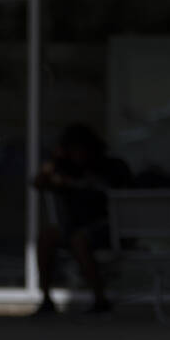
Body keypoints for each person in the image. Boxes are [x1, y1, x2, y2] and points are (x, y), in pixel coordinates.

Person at [33, 123, 132, 315]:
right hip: (73, 225)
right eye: (72, 150)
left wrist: (74, 183)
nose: (77, 154)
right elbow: (38, 183)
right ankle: (45, 299)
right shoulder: (65, 170)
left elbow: (116, 191)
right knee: (46, 237)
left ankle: (100, 299)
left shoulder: (110, 167)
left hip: (108, 226)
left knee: (79, 240)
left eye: (80, 149)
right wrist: (54, 161)